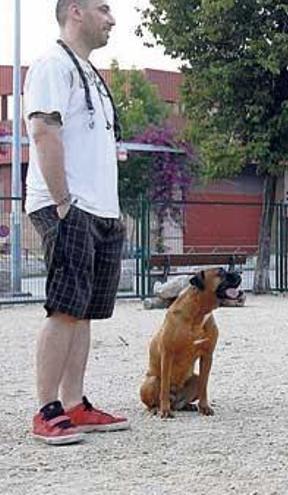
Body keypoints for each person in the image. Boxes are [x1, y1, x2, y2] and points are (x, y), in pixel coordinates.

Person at [25, 0, 128, 445]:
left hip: (100, 208)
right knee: (65, 306)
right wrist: (64, 200)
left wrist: (109, 206)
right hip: (68, 206)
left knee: (84, 311)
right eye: (103, 9)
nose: (112, 19)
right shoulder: (52, 65)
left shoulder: (90, 74)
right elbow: (44, 130)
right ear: (75, 12)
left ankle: (74, 403)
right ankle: (46, 408)